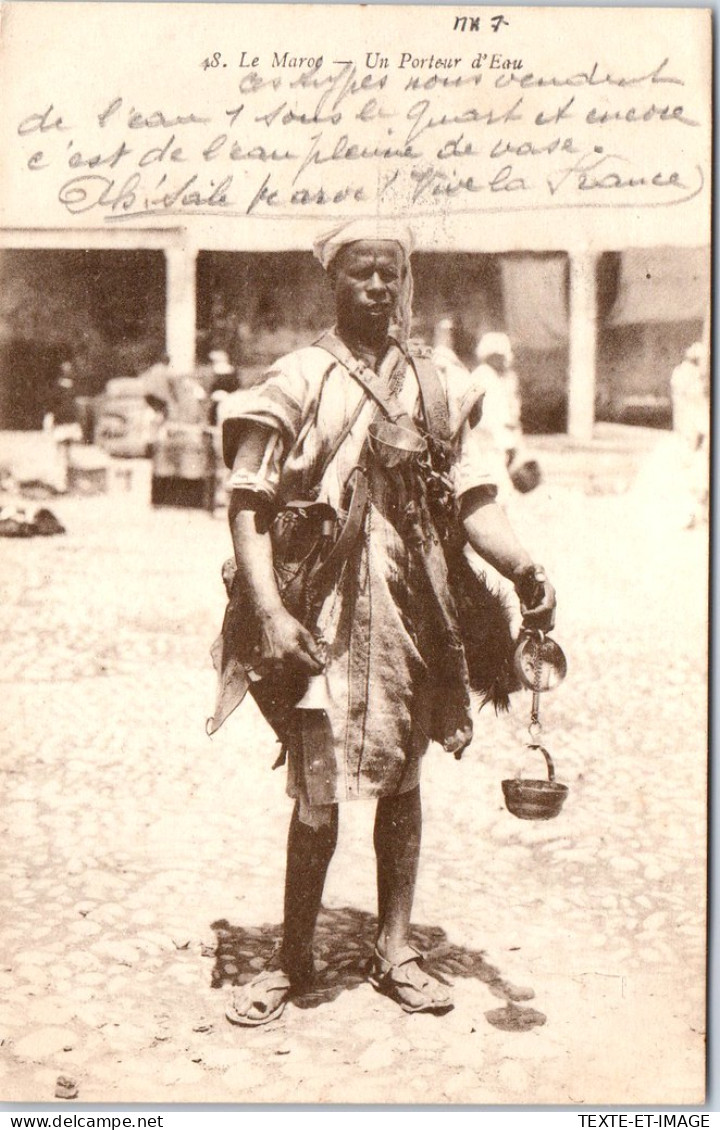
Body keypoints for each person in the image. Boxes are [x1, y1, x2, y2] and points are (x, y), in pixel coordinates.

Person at [211, 220, 556, 1026]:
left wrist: (525, 569)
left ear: (404, 282)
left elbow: (475, 499)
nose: (376, 287)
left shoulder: (439, 382)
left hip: (412, 611)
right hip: (319, 615)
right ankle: (293, 959)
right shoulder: (298, 379)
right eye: (361, 273)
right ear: (334, 281)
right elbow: (248, 502)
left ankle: (395, 946)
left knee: (404, 779)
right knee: (318, 793)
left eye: (389, 275)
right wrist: (267, 611)